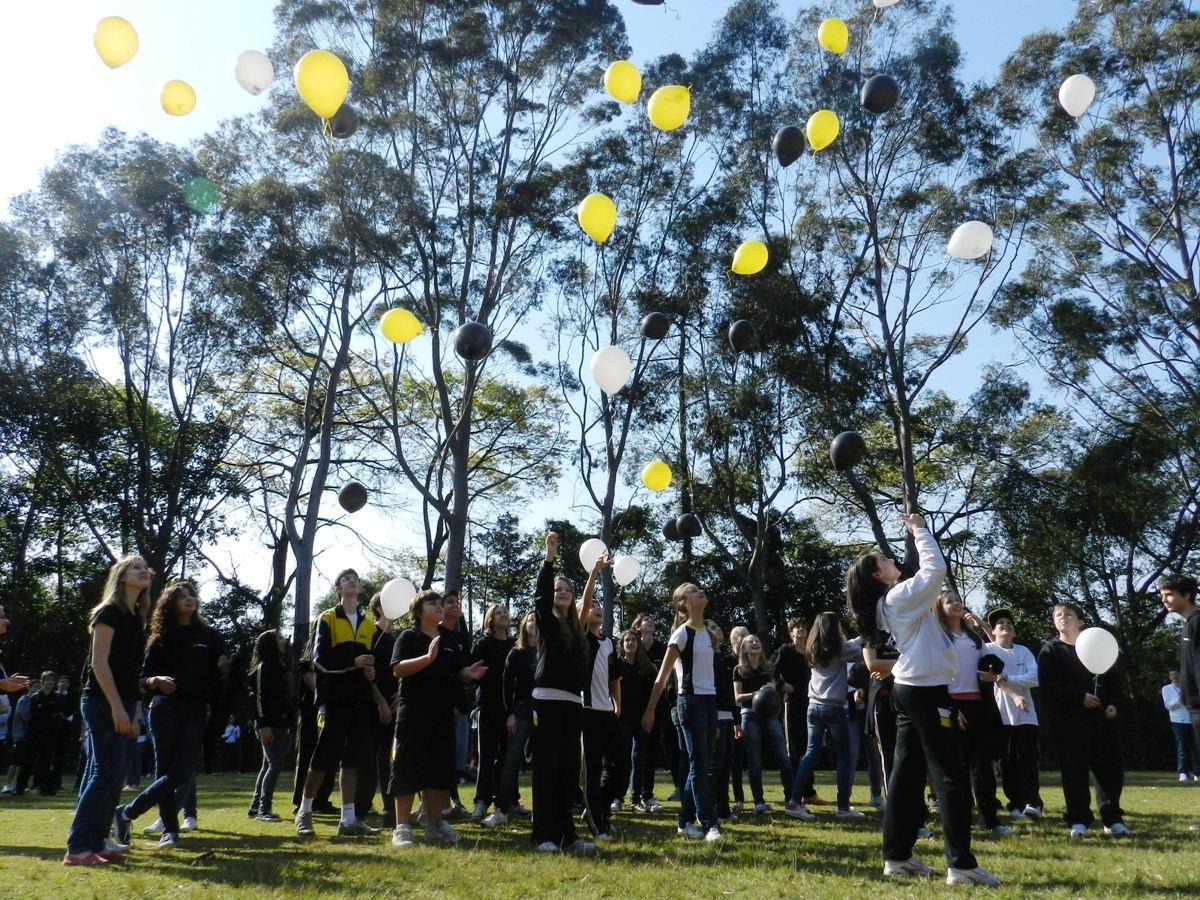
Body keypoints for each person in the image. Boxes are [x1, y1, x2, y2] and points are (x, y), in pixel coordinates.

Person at [847, 514, 999, 887]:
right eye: (882, 560)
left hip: (909, 691)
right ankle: (961, 865)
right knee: (950, 777)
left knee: (907, 775)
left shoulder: (891, 603)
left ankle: (897, 857)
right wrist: (918, 529)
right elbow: (935, 569)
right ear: (877, 576)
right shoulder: (898, 596)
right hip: (925, 693)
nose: (889, 559)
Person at [115, 581, 230, 850]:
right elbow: (141, 680)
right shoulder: (160, 637)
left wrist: (225, 670)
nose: (189, 599)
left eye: (192, 594)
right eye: (182, 596)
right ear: (170, 603)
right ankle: (170, 832)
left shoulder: (209, 635)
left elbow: (221, 676)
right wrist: (155, 680)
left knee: (184, 769)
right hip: (165, 708)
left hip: (196, 709)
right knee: (165, 770)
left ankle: (127, 812)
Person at [65, 554, 152, 867]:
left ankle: (98, 840)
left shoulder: (135, 616)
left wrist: (136, 709)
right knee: (104, 773)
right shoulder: (108, 612)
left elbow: (131, 671)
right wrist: (117, 707)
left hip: (125, 702)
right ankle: (77, 848)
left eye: (146, 568)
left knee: (115, 775)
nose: (144, 571)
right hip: (103, 701)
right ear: (121, 574)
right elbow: (99, 664)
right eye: (136, 567)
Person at [388, 589, 487, 849]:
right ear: (419, 612)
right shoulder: (408, 637)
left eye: (440, 603)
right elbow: (398, 669)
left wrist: (469, 673)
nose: (439, 607)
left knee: (436, 771)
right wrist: (427, 658)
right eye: (433, 603)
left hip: (442, 713)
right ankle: (402, 828)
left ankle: (433, 826)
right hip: (413, 712)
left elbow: (458, 672)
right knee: (407, 768)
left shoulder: (449, 639)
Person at [295, 568, 389, 839]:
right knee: (324, 756)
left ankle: (348, 819)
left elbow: (369, 663)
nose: (352, 582)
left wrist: (370, 675)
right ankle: (304, 812)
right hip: (334, 699)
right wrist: (352, 664)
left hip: (360, 700)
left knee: (352, 760)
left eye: (355, 580)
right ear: (338, 589)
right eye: (346, 580)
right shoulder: (327, 618)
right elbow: (319, 660)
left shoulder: (369, 624)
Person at [1037, 601, 1128, 838]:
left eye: (1068, 614)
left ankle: (1112, 818)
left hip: (1102, 721)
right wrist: (1079, 697)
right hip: (1069, 721)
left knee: (1109, 770)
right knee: (1074, 771)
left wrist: (1113, 706)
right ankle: (1078, 819)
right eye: (1058, 615)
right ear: (1053, 622)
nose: (1063, 617)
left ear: (1080, 622)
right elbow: (1049, 684)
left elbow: (1114, 682)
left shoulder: (1098, 644)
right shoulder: (1050, 651)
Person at [642, 582, 723, 844]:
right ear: (683, 603)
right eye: (693, 590)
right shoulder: (681, 635)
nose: (700, 590)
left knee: (698, 766)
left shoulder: (707, 635)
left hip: (709, 704)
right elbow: (661, 677)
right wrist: (650, 711)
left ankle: (685, 821)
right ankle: (710, 824)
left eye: (700, 588)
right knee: (700, 766)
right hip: (689, 703)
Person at [530, 532, 595, 854]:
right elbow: (541, 595)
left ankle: (567, 835)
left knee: (569, 773)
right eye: (559, 590)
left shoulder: (576, 628)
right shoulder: (546, 620)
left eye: (568, 590)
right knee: (547, 771)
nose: (564, 594)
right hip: (547, 702)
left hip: (573, 704)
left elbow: (586, 597)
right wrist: (549, 555)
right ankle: (544, 835)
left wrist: (594, 575)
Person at [933, 591, 1009, 836]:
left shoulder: (974, 638)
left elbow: (992, 662)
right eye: (950, 601)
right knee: (956, 768)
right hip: (951, 706)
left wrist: (991, 672)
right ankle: (960, 821)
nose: (956, 604)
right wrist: (950, 708)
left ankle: (990, 820)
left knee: (983, 767)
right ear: (939, 608)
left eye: (958, 600)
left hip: (979, 707)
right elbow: (936, 676)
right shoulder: (937, 638)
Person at [783, 612, 864, 822]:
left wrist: (855, 639)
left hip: (814, 707)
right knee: (844, 757)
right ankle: (843, 806)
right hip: (834, 709)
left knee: (810, 754)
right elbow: (860, 652)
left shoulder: (812, 648)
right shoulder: (840, 649)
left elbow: (851, 645)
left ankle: (793, 800)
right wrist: (867, 635)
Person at [984, 609, 1044, 818]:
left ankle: (1033, 802)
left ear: (1015, 631)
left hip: (1026, 715)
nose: (1005, 626)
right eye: (1000, 623)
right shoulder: (987, 649)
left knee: (1027, 760)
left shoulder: (1023, 651)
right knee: (1007, 762)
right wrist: (1006, 680)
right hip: (1000, 715)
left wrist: (1008, 678)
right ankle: (1015, 804)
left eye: (1009, 623)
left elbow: (1035, 678)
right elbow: (990, 677)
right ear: (993, 631)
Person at [483, 611, 537, 828]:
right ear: (524, 625)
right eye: (531, 619)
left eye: (538, 619)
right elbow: (506, 687)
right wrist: (510, 715)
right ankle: (501, 811)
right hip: (520, 711)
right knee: (511, 761)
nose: (535, 623)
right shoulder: (515, 653)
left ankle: (543, 811)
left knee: (542, 763)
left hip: (544, 713)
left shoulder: (547, 652)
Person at [580, 557, 621, 840]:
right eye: (593, 606)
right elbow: (582, 609)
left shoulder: (609, 642)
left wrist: (619, 703)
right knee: (592, 770)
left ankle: (600, 807)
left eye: (599, 606)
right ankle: (597, 823)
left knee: (619, 770)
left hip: (608, 712)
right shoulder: (581, 638)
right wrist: (594, 573)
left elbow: (614, 677)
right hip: (588, 711)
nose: (596, 609)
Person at [733, 634, 793, 814]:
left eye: (757, 641)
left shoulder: (769, 668)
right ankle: (759, 802)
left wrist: (773, 689)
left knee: (783, 756)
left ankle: (791, 799)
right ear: (744, 648)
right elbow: (737, 697)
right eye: (750, 641)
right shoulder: (739, 670)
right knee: (754, 761)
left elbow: (775, 691)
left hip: (769, 716)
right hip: (749, 715)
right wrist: (756, 694)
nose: (754, 643)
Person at [1160, 573, 1200, 831]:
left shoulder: (1197, 622)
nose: (1164, 600)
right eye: (1162, 596)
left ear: (1186, 595)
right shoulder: (1188, 624)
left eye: (1169, 594)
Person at [470, 603, 515, 822]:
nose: (503, 615)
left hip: (511, 710)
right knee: (486, 757)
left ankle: (507, 801)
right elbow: (474, 673)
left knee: (508, 758)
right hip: (488, 707)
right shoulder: (483, 644)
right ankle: (481, 802)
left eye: (505, 612)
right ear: (490, 619)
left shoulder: (515, 645)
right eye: (498, 612)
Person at [357, 594, 397, 825]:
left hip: (393, 705)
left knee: (388, 761)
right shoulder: (370, 633)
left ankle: (391, 813)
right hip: (373, 705)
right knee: (368, 761)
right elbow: (367, 673)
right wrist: (380, 701)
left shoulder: (395, 637)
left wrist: (399, 696)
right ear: (379, 609)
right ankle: (360, 811)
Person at [249, 629, 292, 822]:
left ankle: (254, 807)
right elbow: (257, 698)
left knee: (267, 764)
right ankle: (263, 810)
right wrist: (262, 724)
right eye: (280, 638)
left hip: (278, 723)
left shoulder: (278, 666)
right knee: (275, 764)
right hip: (268, 724)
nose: (284, 641)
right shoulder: (264, 668)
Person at [772, 617, 816, 801]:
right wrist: (781, 685)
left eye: (803, 627)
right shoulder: (786, 651)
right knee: (795, 748)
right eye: (797, 628)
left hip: (810, 703)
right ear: (791, 633)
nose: (801, 631)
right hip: (791, 703)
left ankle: (809, 792)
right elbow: (769, 668)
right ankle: (792, 792)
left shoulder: (810, 652)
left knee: (809, 747)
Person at [629, 614, 667, 813]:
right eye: (646, 620)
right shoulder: (632, 645)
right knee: (636, 754)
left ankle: (648, 795)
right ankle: (629, 796)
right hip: (634, 708)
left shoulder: (662, 648)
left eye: (653, 620)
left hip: (658, 706)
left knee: (651, 752)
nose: (651, 621)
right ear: (638, 626)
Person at [439, 589, 472, 817]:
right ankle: (436, 804)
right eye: (450, 602)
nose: (455, 605)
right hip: (442, 706)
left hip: (461, 706)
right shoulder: (435, 635)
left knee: (457, 757)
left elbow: (462, 672)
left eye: (458, 602)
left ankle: (454, 800)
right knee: (442, 756)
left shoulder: (460, 637)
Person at [707, 620, 737, 823]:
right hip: (715, 715)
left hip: (727, 716)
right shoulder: (707, 657)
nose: (720, 630)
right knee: (715, 767)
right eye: (714, 628)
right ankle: (710, 809)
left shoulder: (722, 658)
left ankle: (723, 809)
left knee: (725, 766)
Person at [26, 670, 65, 795]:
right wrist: (47, 711)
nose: (49, 682)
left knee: (46, 760)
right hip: (34, 733)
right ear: (42, 682)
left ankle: (45, 787)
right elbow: (33, 714)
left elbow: (58, 714)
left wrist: (45, 711)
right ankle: (21, 786)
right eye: (47, 680)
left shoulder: (58, 697)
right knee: (29, 759)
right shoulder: (35, 697)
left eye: (52, 680)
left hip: (51, 734)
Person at [1162, 671, 1198, 782]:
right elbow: (1169, 706)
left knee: (1196, 747)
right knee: (1182, 747)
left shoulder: (1189, 687)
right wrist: (1180, 699)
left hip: (1192, 720)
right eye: (1172, 674)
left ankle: (1197, 772)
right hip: (1178, 720)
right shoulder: (1167, 689)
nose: (1175, 676)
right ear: (1169, 677)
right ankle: (1183, 772)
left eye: (1177, 673)